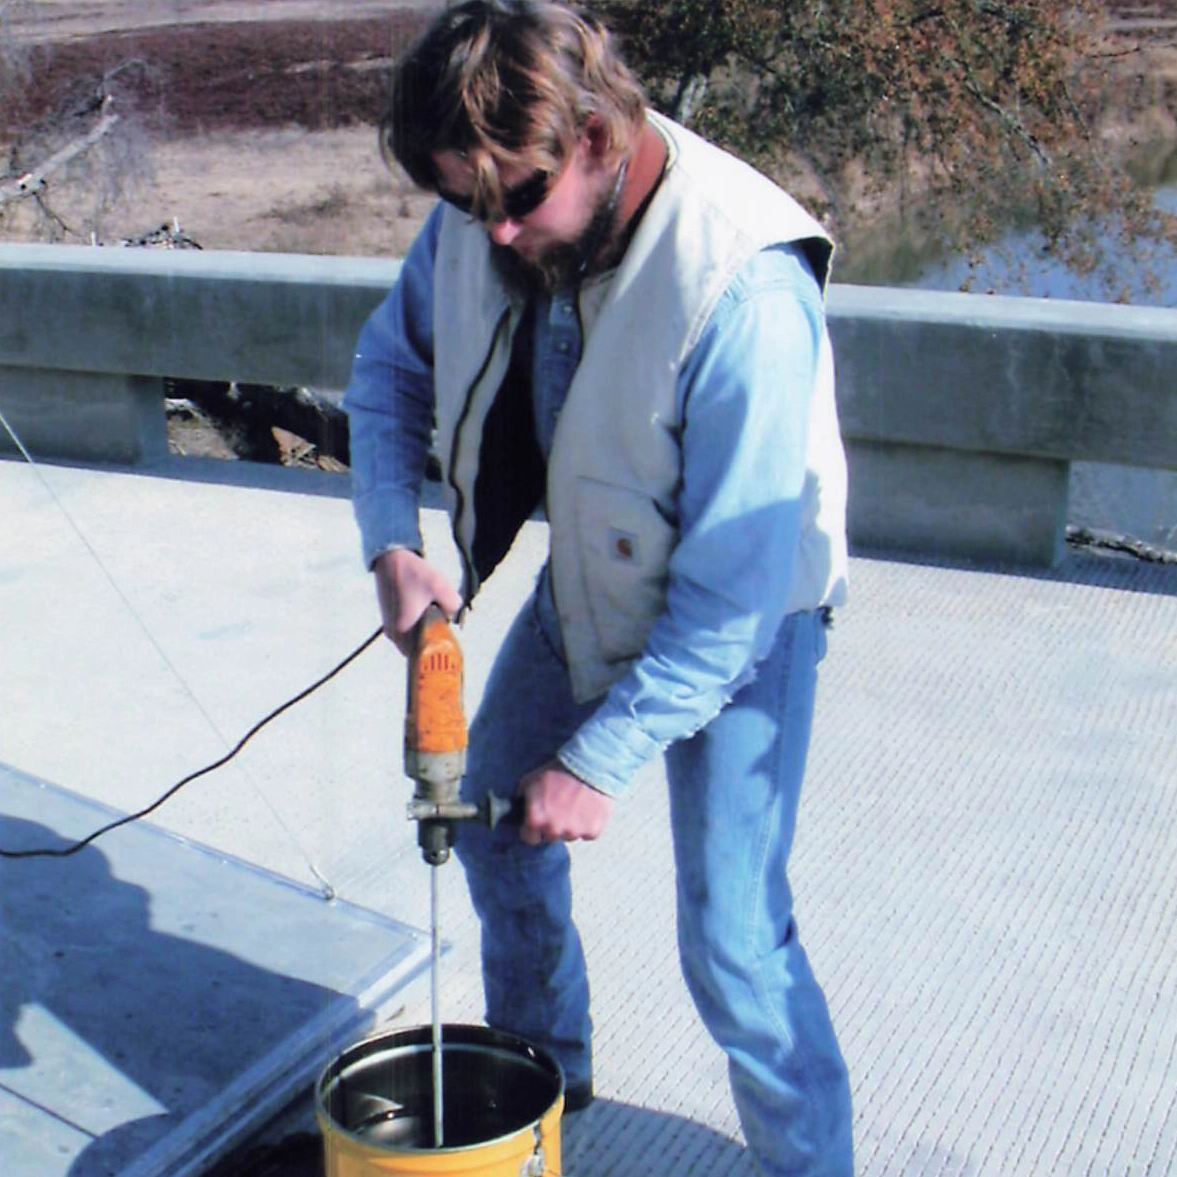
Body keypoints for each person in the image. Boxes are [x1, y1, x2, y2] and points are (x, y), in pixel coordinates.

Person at [342, 2, 853, 1172]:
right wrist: (392, 538)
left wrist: (595, 759)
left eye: (518, 198)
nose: (499, 234)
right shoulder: (483, 216)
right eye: (470, 205)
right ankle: (544, 1080)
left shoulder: (745, 289)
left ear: (595, 130)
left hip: (748, 620)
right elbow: (387, 369)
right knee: (490, 823)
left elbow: (726, 608)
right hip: (597, 577)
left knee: (733, 945)